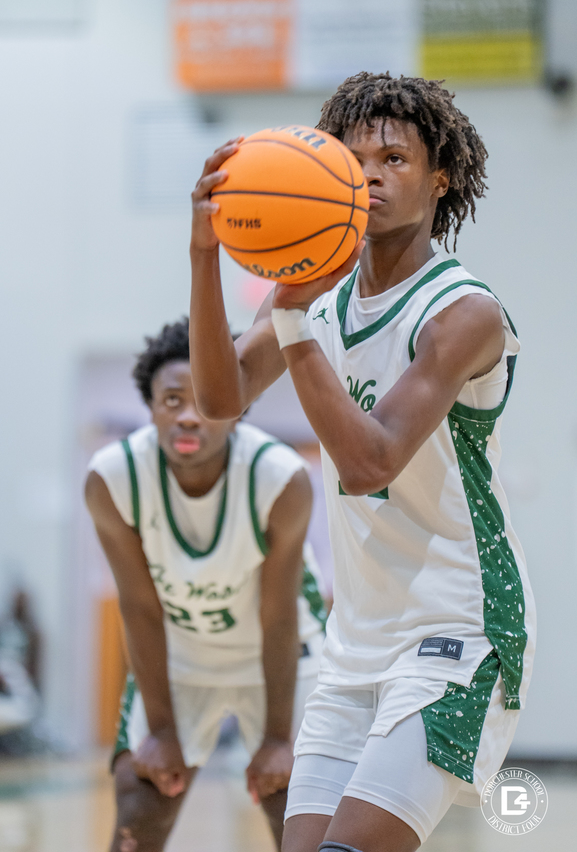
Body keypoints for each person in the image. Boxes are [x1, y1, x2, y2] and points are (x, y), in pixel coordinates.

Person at [189, 72, 536, 852]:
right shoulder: (320, 292)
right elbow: (220, 399)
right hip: (358, 638)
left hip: (459, 627)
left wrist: (291, 316)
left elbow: (370, 460)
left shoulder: (461, 311)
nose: (370, 175)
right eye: (352, 159)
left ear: (438, 179)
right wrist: (202, 253)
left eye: (393, 159)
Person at [85, 319, 325, 852]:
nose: (188, 414)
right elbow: (139, 609)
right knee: (139, 797)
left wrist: (279, 740)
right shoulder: (113, 476)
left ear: (236, 406)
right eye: (171, 399)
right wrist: (165, 732)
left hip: (283, 655)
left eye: (203, 398)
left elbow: (280, 616)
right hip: (182, 656)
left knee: (297, 805)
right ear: (149, 408)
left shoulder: (278, 476)